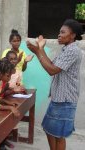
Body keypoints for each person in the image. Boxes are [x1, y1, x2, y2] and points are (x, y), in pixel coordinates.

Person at [26, 19, 83, 150]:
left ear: (73, 35)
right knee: (49, 129)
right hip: (58, 98)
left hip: (65, 100)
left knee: (58, 135)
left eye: (63, 32)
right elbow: (51, 64)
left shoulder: (73, 51)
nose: (59, 35)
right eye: (59, 32)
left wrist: (37, 52)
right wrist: (40, 49)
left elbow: (51, 70)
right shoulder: (66, 49)